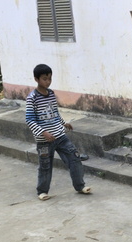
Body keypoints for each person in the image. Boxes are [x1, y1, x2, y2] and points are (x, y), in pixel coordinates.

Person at [25, 63, 91, 201]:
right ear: (36, 79)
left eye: (50, 78)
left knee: (74, 158)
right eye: (44, 79)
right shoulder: (32, 98)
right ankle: (42, 191)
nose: (48, 82)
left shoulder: (51, 94)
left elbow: (54, 112)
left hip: (60, 136)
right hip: (44, 141)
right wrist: (44, 133)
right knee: (45, 166)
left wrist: (63, 123)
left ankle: (80, 186)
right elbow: (30, 120)